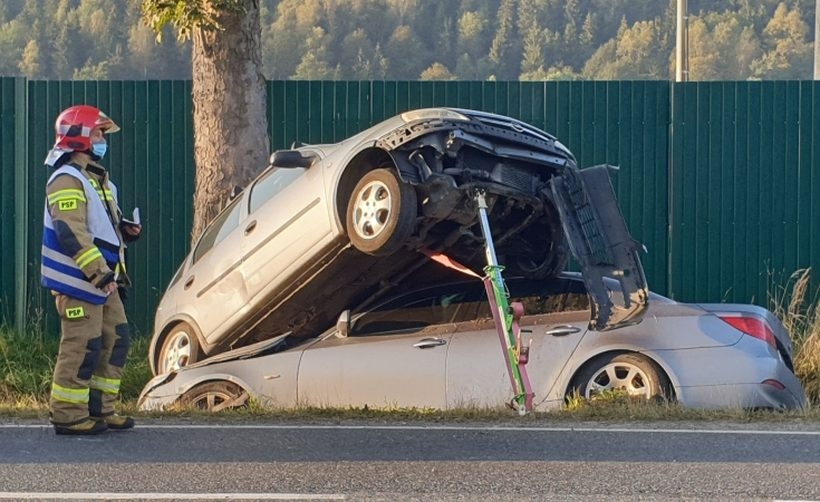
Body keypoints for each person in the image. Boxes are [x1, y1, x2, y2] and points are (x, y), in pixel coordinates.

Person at [40, 105, 142, 435]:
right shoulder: (66, 179)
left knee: (116, 338)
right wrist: (99, 272)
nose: (102, 140)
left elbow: (99, 226)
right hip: (80, 281)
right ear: (80, 136)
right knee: (82, 345)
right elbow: (71, 231)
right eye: (98, 133)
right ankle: (68, 414)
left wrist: (125, 230)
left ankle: (101, 408)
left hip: (102, 281)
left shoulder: (97, 180)